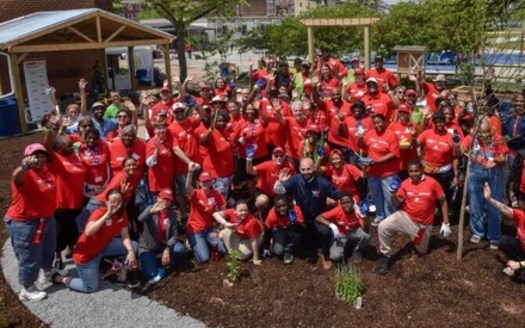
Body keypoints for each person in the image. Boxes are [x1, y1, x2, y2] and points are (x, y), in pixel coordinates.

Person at [4, 143, 62, 301]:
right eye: (36, 156)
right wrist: (25, 166)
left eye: (42, 156)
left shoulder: (45, 171)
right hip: (26, 223)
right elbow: (17, 176)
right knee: (29, 256)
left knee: (48, 249)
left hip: (46, 219)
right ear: (28, 158)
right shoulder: (26, 174)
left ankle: (48, 273)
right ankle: (27, 288)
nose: (40, 159)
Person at [377, 159, 451, 275]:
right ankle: (386, 255)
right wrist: (392, 192)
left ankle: (415, 237)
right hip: (406, 216)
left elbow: (443, 201)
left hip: (423, 224)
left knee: (422, 251)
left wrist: (446, 222)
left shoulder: (432, 183)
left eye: (416, 171)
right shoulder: (405, 183)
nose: (413, 174)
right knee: (382, 226)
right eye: (411, 171)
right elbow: (397, 203)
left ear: (422, 170)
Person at [59, 189, 139, 293]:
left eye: (119, 201)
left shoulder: (122, 212)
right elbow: (88, 232)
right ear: (106, 202)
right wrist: (108, 214)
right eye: (113, 201)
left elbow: (125, 235)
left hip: (104, 246)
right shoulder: (99, 212)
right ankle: (61, 279)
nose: (116, 204)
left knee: (133, 246)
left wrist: (131, 251)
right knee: (90, 287)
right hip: (87, 255)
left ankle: (121, 277)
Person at [274, 157, 341, 268]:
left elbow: (337, 195)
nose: (306, 172)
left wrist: (353, 203)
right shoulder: (296, 179)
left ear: (314, 168)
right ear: (299, 169)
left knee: (325, 232)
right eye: (303, 169)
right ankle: (299, 249)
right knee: (297, 232)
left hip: (319, 216)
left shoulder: (322, 182)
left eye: (308, 169)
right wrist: (280, 182)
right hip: (302, 216)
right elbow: (279, 191)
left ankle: (324, 254)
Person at [461, 119, 509, 248]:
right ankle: (478, 231)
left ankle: (494, 236)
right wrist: (470, 154)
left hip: (494, 175)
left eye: (487, 132)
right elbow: (462, 148)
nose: (484, 135)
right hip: (476, 175)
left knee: (493, 204)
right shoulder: (472, 137)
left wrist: (492, 159)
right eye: (481, 132)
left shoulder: (498, 138)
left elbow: (503, 159)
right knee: (476, 203)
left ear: (491, 130)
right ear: (476, 130)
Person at [43, 131, 87, 270]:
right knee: (60, 231)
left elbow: (83, 138)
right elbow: (47, 148)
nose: (69, 147)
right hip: (62, 202)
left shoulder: (75, 156)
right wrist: (50, 130)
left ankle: (71, 248)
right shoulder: (55, 158)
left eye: (70, 145)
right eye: (65, 146)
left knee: (73, 228)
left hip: (78, 200)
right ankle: (57, 256)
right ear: (58, 148)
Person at [358, 113, 401, 226]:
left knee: (389, 197)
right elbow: (362, 146)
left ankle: (391, 219)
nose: (378, 125)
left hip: (388, 173)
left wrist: (377, 161)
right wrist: (360, 137)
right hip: (374, 172)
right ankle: (380, 216)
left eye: (380, 122)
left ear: (385, 122)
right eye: (375, 123)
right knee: (376, 195)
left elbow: (394, 153)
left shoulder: (391, 135)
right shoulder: (370, 134)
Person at [138, 188, 184, 285]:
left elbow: (175, 235)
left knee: (179, 249)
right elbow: (140, 219)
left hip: (162, 243)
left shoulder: (172, 214)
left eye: (168, 199)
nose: (165, 202)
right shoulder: (151, 209)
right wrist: (150, 211)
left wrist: (167, 249)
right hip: (148, 246)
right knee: (152, 276)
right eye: (163, 198)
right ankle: (159, 268)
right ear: (157, 198)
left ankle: (166, 258)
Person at [482, 183, 525, 281]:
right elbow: (504, 208)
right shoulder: (522, 216)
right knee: (504, 241)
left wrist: (520, 264)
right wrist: (489, 199)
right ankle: (516, 264)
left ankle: (518, 266)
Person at [316, 192, 370, 265]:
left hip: (354, 231)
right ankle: (345, 248)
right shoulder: (337, 210)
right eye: (344, 203)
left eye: (348, 202)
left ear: (353, 202)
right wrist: (331, 225)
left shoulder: (358, 211)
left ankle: (357, 250)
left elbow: (366, 230)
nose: (346, 205)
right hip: (341, 234)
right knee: (335, 256)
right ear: (340, 204)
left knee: (366, 236)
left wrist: (364, 217)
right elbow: (319, 218)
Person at [186, 170, 227, 264]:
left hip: (209, 229)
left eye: (208, 181)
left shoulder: (216, 194)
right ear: (199, 183)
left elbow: (224, 208)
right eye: (203, 181)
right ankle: (191, 242)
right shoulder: (195, 193)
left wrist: (221, 226)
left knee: (222, 251)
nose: (205, 183)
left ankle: (204, 243)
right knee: (204, 258)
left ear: (211, 182)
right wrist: (190, 173)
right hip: (196, 230)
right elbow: (187, 186)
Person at [246, 146, 296, 219]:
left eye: (281, 156)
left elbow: (294, 182)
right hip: (265, 191)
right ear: (272, 157)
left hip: (280, 193)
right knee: (262, 201)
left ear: (284, 157)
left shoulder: (289, 166)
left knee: (288, 207)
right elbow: (250, 171)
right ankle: (259, 213)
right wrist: (249, 159)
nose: (278, 158)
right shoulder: (267, 165)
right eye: (276, 156)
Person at [262, 195, 305, 264]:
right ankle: (278, 240)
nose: (282, 208)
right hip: (279, 229)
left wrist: (295, 222)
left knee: (297, 236)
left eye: (284, 205)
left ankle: (288, 250)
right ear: (275, 207)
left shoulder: (295, 209)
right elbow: (267, 230)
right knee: (278, 252)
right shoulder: (272, 214)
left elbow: (303, 228)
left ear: (288, 204)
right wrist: (266, 246)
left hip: (292, 229)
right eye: (278, 207)